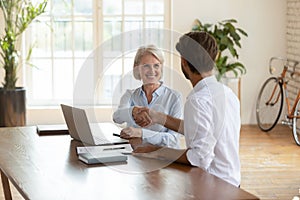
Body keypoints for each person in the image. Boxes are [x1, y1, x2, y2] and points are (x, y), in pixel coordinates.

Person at [132, 32, 241, 187]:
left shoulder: (198, 100)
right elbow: (200, 130)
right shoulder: (227, 93)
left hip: (213, 187)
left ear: (183, 62)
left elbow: (199, 158)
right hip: (232, 182)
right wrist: (157, 117)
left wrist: (157, 151)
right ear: (214, 59)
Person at [112, 44, 183, 148]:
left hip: (163, 158)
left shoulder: (174, 97)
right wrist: (133, 111)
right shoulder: (130, 95)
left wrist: (141, 133)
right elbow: (117, 118)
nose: (152, 71)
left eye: (156, 65)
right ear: (137, 69)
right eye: (146, 66)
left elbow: (173, 140)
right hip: (136, 157)